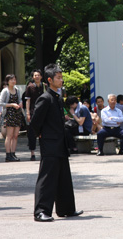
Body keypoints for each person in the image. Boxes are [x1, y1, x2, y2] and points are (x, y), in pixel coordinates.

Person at [30, 63, 83, 222]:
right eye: (58, 78)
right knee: (47, 178)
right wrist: (42, 136)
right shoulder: (45, 98)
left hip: (60, 143)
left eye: (61, 77)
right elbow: (35, 123)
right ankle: (41, 211)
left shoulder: (58, 97)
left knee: (63, 177)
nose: (61, 80)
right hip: (50, 143)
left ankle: (66, 209)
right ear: (49, 80)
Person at [0, 74, 24, 162]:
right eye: (11, 80)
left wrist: (20, 103)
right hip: (9, 114)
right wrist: (11, 105)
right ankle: (8, 154)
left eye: (14, 79)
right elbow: (0, 103)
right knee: (9, 135)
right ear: (7, 81)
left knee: (16, 135)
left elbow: (19, 99)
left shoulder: (17, 90)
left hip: (17, 114)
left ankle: (13, 153)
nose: (13, 81)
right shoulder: (5, 91)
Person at [24, 69, 45, 161]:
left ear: (41, 76)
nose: (37, 77)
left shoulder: (44, 86)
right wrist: (27, 113)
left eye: (38, 75)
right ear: (33, 77)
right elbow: (27, 101)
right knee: (32, 133)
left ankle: (43, 151)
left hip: (43, 112)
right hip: (33, 111)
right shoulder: (30, 87)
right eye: (35, 75)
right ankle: (32, 153)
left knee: (43, 132)